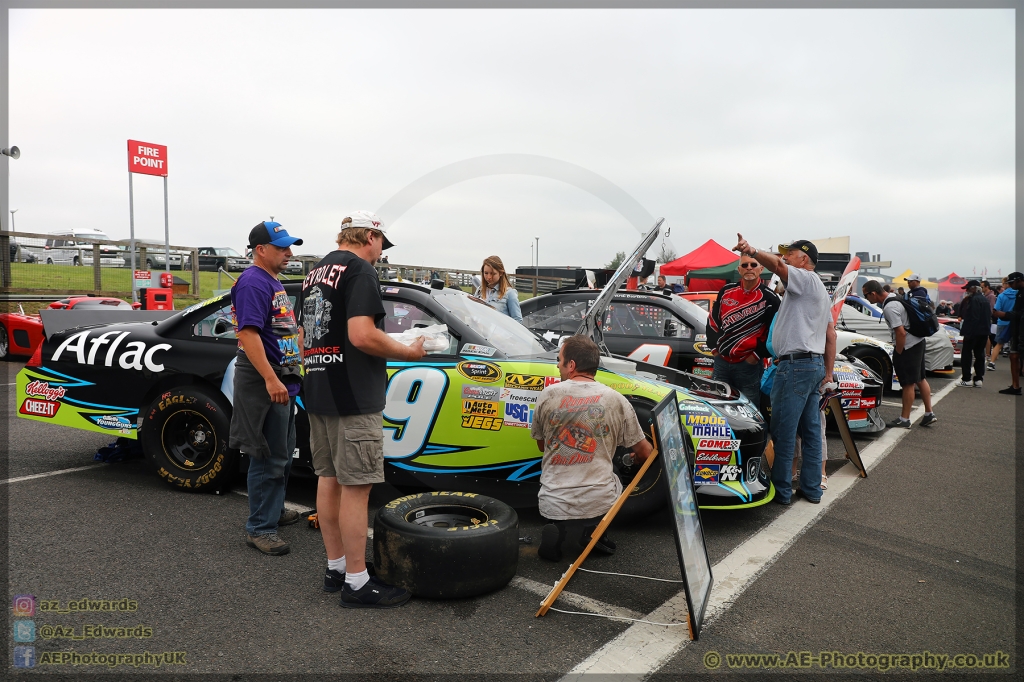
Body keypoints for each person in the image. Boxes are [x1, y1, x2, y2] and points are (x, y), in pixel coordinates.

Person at [297, 210, 427, 608]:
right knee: (356, 487)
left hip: (318, 389)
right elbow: (361, 334)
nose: (380, 255)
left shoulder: (314, 272)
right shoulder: (360, 270)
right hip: (352, 395)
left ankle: (337, 567)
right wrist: (407, 349)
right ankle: (356, 581)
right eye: (381, 246)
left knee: (328, 479)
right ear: (370, 236)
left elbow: (304, 338)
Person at [733, 235, 835, 505]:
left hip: (797, 366)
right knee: (811, 431)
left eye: (789, 255)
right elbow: (830, 334)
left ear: (804, 260)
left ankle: (780, 491)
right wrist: (826, 373)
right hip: (810, 365)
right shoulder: (819, 289)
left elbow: (777, 267)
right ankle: (812, 488)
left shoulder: (806, 278)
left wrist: (751, 250)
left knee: (784, 431)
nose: (785, 259)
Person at [531, 335, 652, 561]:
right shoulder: (616, 399)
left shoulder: (548, 394)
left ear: (572, 365)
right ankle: (594, 530)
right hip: (599, 498)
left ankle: (557, 527)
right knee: (614, 466)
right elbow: (646, 452)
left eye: (560, 360)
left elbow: (541, 446)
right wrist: (632, 459)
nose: (558, 365)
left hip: (553, 500)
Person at [230, 221, 305, 556]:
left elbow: (276, 328)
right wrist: (271, 379)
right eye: (281, 247)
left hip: (282, 376)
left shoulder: (271, 279)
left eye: (289, 247)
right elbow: (248, 334)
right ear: (260, 250)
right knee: (266, 455)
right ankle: (260, 527)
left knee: (283, 452)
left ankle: (271, 512)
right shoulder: (252, 282)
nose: (289, 253)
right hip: (266, 378)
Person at [861, 280, 937, 428]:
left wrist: (899, 352)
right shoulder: (896, 297)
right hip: (918, 341)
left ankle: (905, 419)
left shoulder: (890, 307)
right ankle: (929, 413)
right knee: (920, 378)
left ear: (873, 293)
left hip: (908, 346)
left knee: (907, 383)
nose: (866, 298)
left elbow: (900, 333)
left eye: (866, 295)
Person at [707, 254, 780, 404]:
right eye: (745, 265)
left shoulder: (770, 298)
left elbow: (774, 333)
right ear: (739, 269)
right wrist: (715, 349)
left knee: (749, 407)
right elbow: (713, 320)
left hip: (749, 365)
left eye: (753, 265)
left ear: (761, 268)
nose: (749, 268)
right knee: (717, 405)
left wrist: (756, 355)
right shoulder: (726, 291)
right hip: (721, 362)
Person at [955, 280, 991, 388]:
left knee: (967, 354)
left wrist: (968, 332)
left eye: (968, 288)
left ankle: (966, 379)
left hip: (973, 331)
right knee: (980, 354)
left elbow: (974, 318)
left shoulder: (974, 300)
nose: (966, 291)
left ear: (974, 288)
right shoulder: (985, 299)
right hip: (984, 331)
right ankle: (979, 378)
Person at [997, 272, 1024, 395]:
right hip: (1016, 328)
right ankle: (1015, 386)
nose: (1010, 286)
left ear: (1018, 280)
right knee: (1013, 356)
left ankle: (1016, 385)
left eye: (1011, 283)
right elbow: (1017, 312)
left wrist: (1004, 315)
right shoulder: (1019, 293)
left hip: (1020, 328)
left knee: (1016, 356)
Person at [479, 255, 523, 322]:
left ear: (501, 273)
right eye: (486, 273)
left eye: (493, 274)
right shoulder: (479, 290)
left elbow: (518, 320)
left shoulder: (510, 293)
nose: (489, 277)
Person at [989, 277, 1017, 372]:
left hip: (1002, 321)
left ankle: (992, 363)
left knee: (999, 344)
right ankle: (1018, 366)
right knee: (1016, 345)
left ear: (1006, 284)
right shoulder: (1018, 294)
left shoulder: (1001, 296)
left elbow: (997, 309)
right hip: (1015, 322)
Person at [981, 280, 997, 358]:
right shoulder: (985, 296)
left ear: (987, 287)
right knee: (987, 336)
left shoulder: (991, 296)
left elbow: (991, 308)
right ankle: (989, 353)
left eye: (982, 287)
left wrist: (987, 316)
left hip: (987, 318)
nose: (981, 289)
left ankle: (988, 353)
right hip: (985, 318)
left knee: (987, 336)